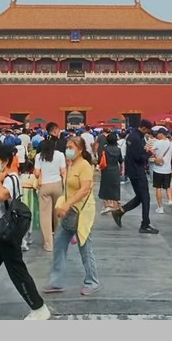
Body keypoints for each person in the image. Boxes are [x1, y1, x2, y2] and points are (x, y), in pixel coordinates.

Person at [0, 144, 49, 320]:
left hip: (6, 235)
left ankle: (39, 308)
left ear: (5, 161)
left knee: (18, 273)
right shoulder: (2, 178)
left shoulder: (11, 179)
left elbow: (2, 196)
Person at [44, 134, 99, 296]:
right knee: (59, 244)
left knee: (85, 248)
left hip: (81, 212)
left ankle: (92, 282)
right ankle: (56, 282)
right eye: (67, 148)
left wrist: (67, 204)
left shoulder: (84, 166)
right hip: (69, 211)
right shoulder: (71, 165)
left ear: (80, 150)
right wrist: (64, 204)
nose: (67, 150)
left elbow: (85, 189)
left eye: (71, 148)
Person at [113, 119, 159, 234]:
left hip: (132, 171)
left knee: (140, 197)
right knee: (145, 198)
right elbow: (138, 157)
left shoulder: (131, 136)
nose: (147, 133)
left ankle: (121, 211)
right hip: (138, 171)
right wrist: (149, 154)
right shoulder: (137, 138)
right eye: (147, 131)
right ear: (143, 128)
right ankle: (145, 225)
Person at [35, 127, 68, 252]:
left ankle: (48, 244)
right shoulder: (60, 155)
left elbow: (36, 173)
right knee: (57, 213)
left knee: (45, 215)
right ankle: (59, 240)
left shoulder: (39, 156)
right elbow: (63, 171)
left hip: (44, 186)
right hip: (57, 184)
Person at [150, 126, 172, 214]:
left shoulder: (157, 143)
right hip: (168, 169)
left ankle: (160, 207)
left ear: (161, 134)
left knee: (158, 188)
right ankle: (170, 200)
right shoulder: (171, 144)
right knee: (168, 187)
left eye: (158, 134)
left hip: (158, 169)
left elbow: (151, 152)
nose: (157, 135)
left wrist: (155, 155)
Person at [97, 131, 124, 214]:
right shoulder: (118, 149)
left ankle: (107, 205)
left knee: (105, 187)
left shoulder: (105, 149)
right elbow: (121, 161)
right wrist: (122, 170)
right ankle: (115, 206)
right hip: (115, 169)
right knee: (115, 187)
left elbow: (100, 159)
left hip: (106, 169)